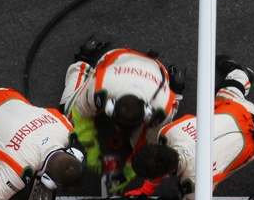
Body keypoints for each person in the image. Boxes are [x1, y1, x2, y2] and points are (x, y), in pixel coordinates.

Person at [128, 56, 254, 200]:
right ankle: (242, 77)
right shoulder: (169, 132)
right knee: (228, 89)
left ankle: (242, 72)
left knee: (194, 198)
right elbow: (159, 159)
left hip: (252, 143)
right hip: (236, 111)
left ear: (165, 176)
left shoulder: (196, 184)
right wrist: (148, 188)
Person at [60, 37, 185, 176]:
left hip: (156, 69)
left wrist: (133, 165)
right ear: (109, 108)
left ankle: (176, 92)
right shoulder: (100, 88)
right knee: (68, 115)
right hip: (116, 59)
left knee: (157, 129)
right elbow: (80, 116)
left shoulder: (161, 110)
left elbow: (150, 144)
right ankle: (83, 63)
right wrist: (91, 148)